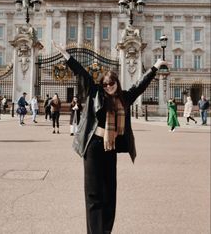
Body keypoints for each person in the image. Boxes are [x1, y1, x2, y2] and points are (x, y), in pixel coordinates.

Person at [53, 41, 167, 234]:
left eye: (111, 83)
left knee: (109, 194)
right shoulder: (96, 92)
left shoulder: (124, 97)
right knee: (93, 194)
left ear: (116, 83)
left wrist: (155, 67)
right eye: (105, 84)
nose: (108, 86)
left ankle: (105, 230)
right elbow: (81, 73)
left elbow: (139, 86)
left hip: (110, 147)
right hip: (94, 146)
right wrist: (66, 55)